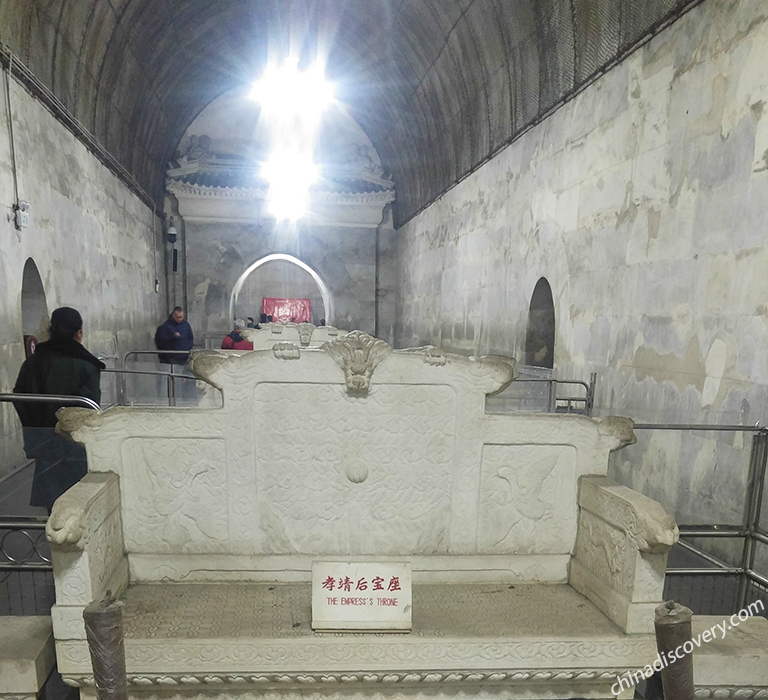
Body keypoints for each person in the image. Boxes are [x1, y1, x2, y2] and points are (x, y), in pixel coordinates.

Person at [13, 306, 105, 513]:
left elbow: (20, 398)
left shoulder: (32, 362)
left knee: (52, 504)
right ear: (78, 334)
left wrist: (36, 431)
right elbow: (90, 407)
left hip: (45, 446)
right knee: (79, 503)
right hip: (76, 448)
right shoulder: (86, 365)